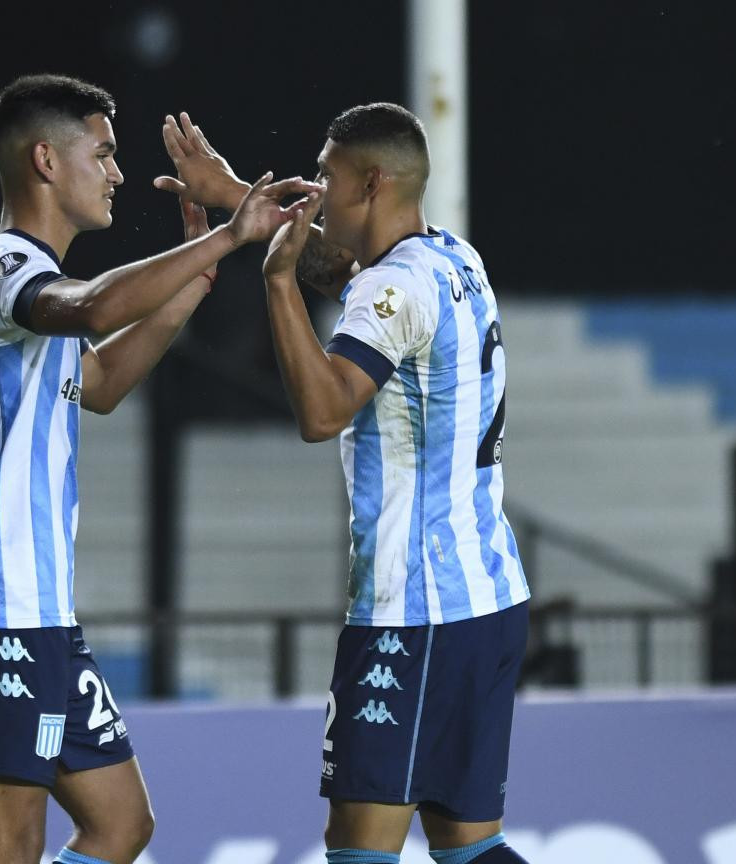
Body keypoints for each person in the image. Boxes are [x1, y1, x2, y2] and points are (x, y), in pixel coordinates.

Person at [0, 74, 318, 864]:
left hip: (41, 613)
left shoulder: (32, 278)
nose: (118, 174)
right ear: (45, 162)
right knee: (9, 849)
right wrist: (227, 236)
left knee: (121, 825)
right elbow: (95, 306)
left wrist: (191, 287)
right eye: (102, 154)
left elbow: (95, 385)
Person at [155, 106, 532, 864]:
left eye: (326, 174)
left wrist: (277, 285)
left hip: (412, 609)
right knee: (466, 845)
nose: (316, 188)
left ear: (371, 181)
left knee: (359, 849)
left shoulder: (389, 292)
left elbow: (324, 411)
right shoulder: (454, 258)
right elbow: (347, 268)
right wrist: (236, 197)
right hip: (487, 597)